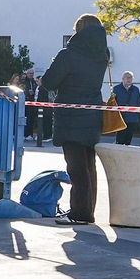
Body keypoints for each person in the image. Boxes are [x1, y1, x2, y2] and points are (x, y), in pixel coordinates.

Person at [43, 14, 111, 225]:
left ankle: (80, 213)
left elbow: (49, 81)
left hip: (71, 116)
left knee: (76, 166)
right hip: (92, 114)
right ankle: (88, 210)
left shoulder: (69, 55)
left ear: (80, 30)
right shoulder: (102, 56)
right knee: (89, 164)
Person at [111, 71, 140, 146]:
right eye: (127, 77)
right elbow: (113, 102)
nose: (128, 79)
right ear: (123, 78)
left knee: (128, 138)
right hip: (121, 117)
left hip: (132, 117)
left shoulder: (135, 89)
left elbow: (139, 100)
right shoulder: (116, 89)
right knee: (120, 138)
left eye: (130, 77)